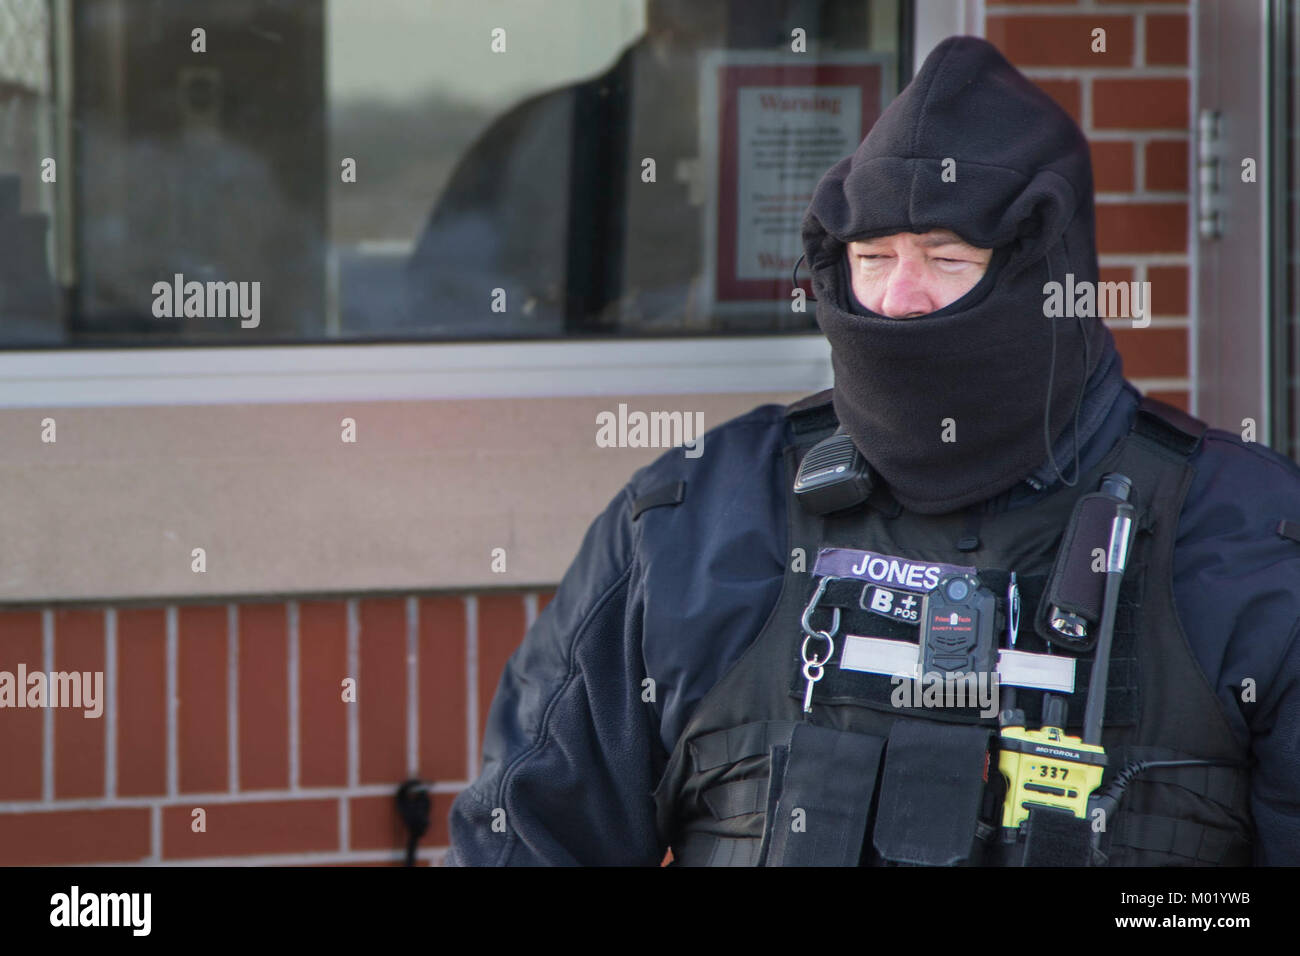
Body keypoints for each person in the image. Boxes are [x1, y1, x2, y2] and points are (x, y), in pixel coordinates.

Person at [445, 36, 1300, 866]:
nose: (896, 298)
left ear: (1049, 276)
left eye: (946, 257)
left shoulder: (1248, 542)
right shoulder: (693, 524)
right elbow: (526, 839)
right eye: (872, 256)